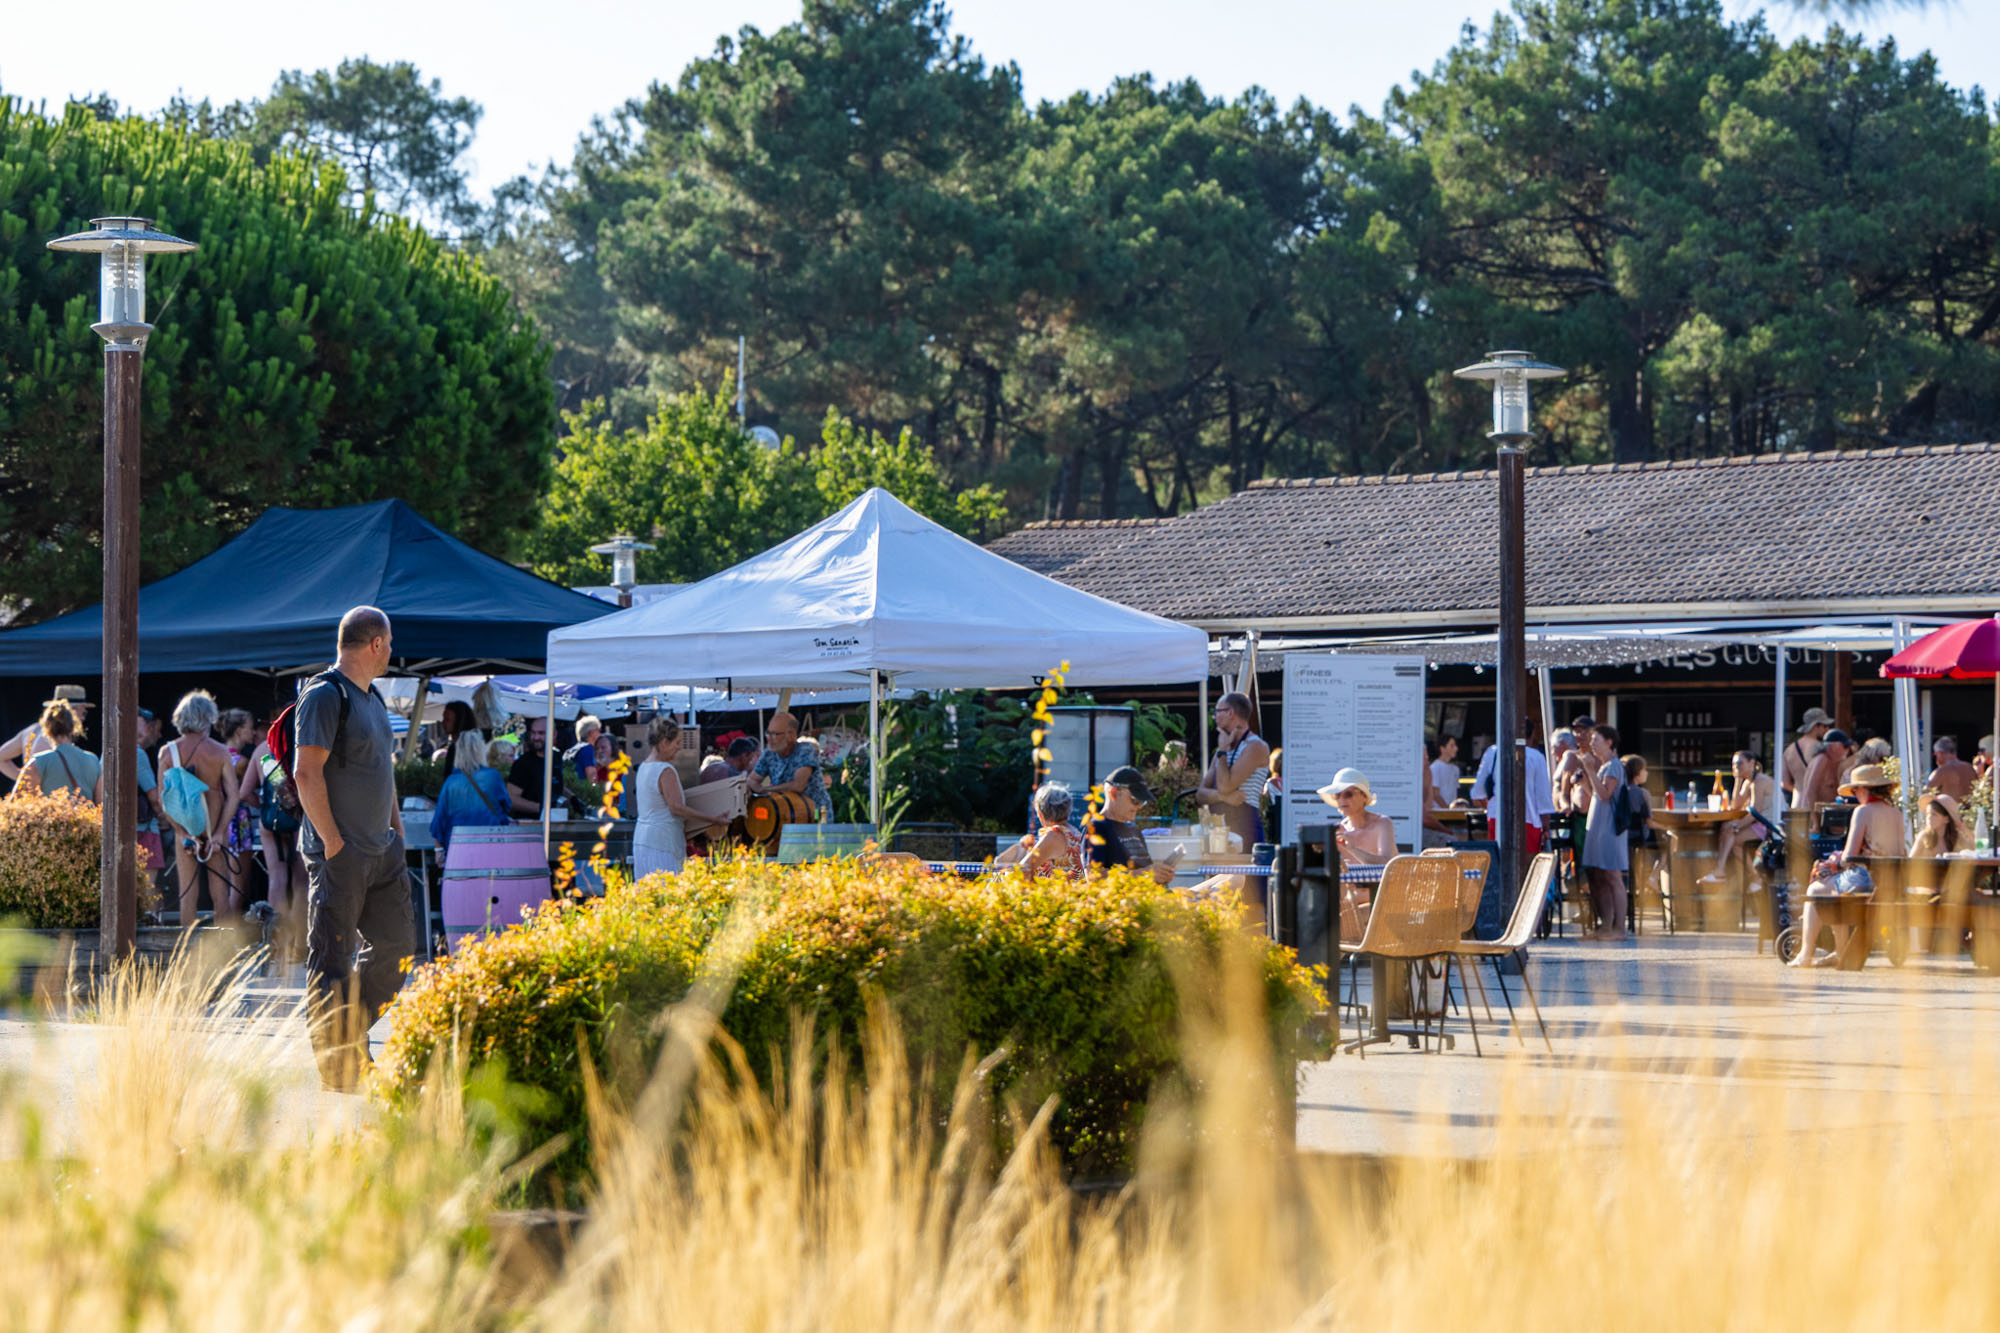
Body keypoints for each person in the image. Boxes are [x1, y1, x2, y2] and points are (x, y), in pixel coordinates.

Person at [292, 606, 414, 1092]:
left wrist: (398, 834)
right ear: (377, 644)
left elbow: (383, 774)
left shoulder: (374, 697)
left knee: (399, 951)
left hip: (383, 851)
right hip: (341, 855)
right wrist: (334, 844)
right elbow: (305, 773)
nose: (392, 650)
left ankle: (349, 1039)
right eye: (391, 642)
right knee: (332, 963)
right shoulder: (324, 695)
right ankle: (339, 1071)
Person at [1788, 764, 1905, 968]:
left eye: (1855, 790)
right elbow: (1900, 851)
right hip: (1893, 880)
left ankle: (1805, 953)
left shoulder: (1862, 811)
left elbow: (1849, 856)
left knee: (1816, 889)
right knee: (1833, 889)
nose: (1854, 795)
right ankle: (1839, 951)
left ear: (1864, 789)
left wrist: (1836, 859)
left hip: (1868, 878)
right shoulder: (1895, 812)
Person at [159, 690, 239, 928]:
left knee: (187, 892)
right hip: (213, 822)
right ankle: (224, 949)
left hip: (184, 827)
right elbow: (233, 796)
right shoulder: (220, 752)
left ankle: (187, 952)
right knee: (220, 892)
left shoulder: (167, 752)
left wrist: (183, 833)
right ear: (208, 717)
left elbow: (166, 801)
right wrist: (218, 833)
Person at [634, 716, 727, 878]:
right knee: (666, 893)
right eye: (676, 742)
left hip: (642, 839)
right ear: (664, 743)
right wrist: (713, 819)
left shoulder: (643, 766)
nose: (679, 748)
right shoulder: (665, 770)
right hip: (662, 842)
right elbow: (677, 807)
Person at [241, 728, 303, 960]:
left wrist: (264, 807)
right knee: (301, 883)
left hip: (270, 824)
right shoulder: (302, 746)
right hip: (299, 820)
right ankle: (299, 947)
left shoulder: (261, 750)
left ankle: (277, 948)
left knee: (276, 881)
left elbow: (244, 792)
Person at [1197, 692, 1270, 849]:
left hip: (1245, 826)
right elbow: (1201, 794)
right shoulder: (1223, 749)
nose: (1214, 717)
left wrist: (1222, 751)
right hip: (1218, 828)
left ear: (1230, 713)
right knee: (1218, 874)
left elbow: (1225, 786)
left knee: (1246, 874)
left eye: (1217, 711)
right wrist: (1223, 798)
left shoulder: (1255, 747)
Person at [1083, 765, 1175, 886]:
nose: (1139, 806)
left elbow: (1145, 870)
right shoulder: (1097, 828)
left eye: (1142, 801)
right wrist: (1146, 874)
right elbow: (1094, 877)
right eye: (1135, 800)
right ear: (1114, 793)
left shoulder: (1133, 829)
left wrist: (1161, 875)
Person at [428, 730, 512, 863]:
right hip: (491, 845)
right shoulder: (493, 777)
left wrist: (438, 851)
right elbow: (506, 806)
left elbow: (439, 819)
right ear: (481, 751)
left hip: (458, 850)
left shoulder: (451, 782)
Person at [1469, 731, 1556, 856]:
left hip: (1497, 818)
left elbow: (1477, 794)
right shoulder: (1536, 757)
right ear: (1531, 737)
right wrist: (1546, 828)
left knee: (1498, 864)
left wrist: (1493, 806)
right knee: (1528, 869)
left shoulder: (1492, 753)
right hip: (1529, 820)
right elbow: (1543, 800)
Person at [1579, 723, 1629, 940]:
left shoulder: (1613, 766)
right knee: (1601, 875)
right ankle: (1606, 926)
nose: (1592, 744)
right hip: (1600, 825)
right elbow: (1596, 794)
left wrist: (1589, 770)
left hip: (1609, 827)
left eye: (1596, 740)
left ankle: (1619, 928)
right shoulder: (1603, 767)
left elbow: (1606, 794)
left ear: (1609, 742)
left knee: (1613, 876)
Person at [1699, 751, 1778, 885]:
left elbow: (1756, 812)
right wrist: (1738, 779)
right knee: (1728, 829)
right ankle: (1748, 877)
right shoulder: (1749, 782)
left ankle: (1723, 871)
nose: (1735, 767)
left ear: (1751, 763)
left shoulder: (1760, 781)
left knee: (1732, 834)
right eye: (1733, 764)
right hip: (1759, 823)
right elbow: (1736, 805)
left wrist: (1737, 826)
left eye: (1739, 763)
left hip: (1771, 825)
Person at [0, 684, 91, 790]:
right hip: (50, 803)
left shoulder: (30, 731)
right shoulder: (54, 739)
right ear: (71, 712)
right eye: (83, 713)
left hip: (34, 801)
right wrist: (26, 781)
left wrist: (25, 781)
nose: (83, 718)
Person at [749, 712, 832, 820]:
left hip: (815, 813)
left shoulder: (805, 750)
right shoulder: (769, 753)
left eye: (776, 734)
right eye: (768, 733)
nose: (769, 738)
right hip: (787, 814)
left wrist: (766, 790)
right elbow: (752, 781)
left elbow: (798, 786)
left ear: (791, 735)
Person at [22, 699, 103, 803]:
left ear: (47, 731)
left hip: (52, 818)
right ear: (73, 729)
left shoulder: (38, 762)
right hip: (86, 819)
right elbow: (101, 805)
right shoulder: (93, 760)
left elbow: (17, 804)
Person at [1318, 767, 1396, 866]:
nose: (1342, 800)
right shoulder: (1337, 831)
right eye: (1337, 795)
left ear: (1364, 797)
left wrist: (1352, 849)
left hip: (1383, 882)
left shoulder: (1382, 823)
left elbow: (1387, 863)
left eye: (1348, 794)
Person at [135, 707, 165, 886]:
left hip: (123, 829)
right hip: (143, 830)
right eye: (150, 725)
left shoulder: (110, 750)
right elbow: (154, 798)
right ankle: (147, 915)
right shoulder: (136, 753)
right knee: (147, 890)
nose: (156, 733)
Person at [1781, 708, 1833, 804]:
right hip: (1815, 803)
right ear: (1815, 725)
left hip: (1796, 803)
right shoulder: (1819, 747)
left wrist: (1800, 790)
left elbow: (1785, 784)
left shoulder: (1788, 750)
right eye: (1825, 725)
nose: (1827, 729)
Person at [1792, 729, 1851, 811]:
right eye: (1845, 746)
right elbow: (1810, 792)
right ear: (1832, 746)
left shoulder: (1835, 763)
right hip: (1815, 815)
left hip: (1827, 815)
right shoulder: (1822, 760)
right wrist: (1815, 821)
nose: (1847, 750)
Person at [506, 716, 550, 816]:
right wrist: (542, 808)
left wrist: (572, 798)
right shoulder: (523, 764)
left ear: (554, 734)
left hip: (553, 824)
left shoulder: (555, 757)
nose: (536, 737)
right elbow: (511, 799)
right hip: (529, 826)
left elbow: (552, 780)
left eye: (541, 733)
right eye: (533, 733)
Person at [1912, 791, 1970, 861]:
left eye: (1934, 814)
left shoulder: (1957, 837)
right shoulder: (1924, 837)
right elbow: (1909, 863)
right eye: (1927, 814)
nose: (1929, 818)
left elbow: (1973, 852)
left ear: (1946, 819)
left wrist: (1965, 830)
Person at [1926, 737, 1978, 803]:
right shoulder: (1970, 768)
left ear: (1939, 753)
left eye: (1935, 755)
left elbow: (1927, 794)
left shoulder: (1941, 771)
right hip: (1970, 811)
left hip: (1949, 811)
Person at [564, 714, 605, 784]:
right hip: (583, 792)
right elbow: (592, 778)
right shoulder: (588, 749)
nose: (601, 734)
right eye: (599, 730)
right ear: (591, 733)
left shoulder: (570, 751)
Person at [1427, 736, 1461, 810]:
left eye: (1455, 746)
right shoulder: (1435, 767)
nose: (1456, 749)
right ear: (1442, 748)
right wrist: (1447, 810)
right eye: (1452, 746)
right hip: (1439, 812)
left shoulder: (1456, 769)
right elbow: (1435, 794)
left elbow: (1455, 793)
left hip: (1452, 813)